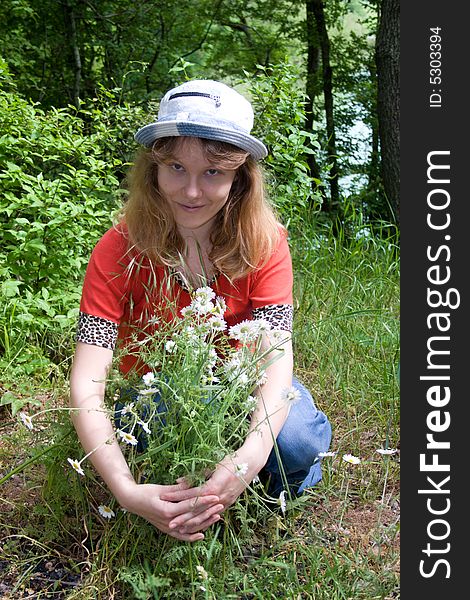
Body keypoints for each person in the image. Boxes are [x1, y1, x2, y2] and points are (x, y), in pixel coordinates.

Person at [70, 79, 332, 543]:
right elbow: (87, 386)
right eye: (175, 167)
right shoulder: (118, 249)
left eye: (212, 172)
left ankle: (263, 486)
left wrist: (243, 464)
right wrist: (126, 491)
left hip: (244, 389)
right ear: (153, 169)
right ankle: (207, 491)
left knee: (294, 443)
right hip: (155, 400)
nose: (191, 191)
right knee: (159, 446)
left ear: (239, 178)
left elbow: (274, 363)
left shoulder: (265, 244)